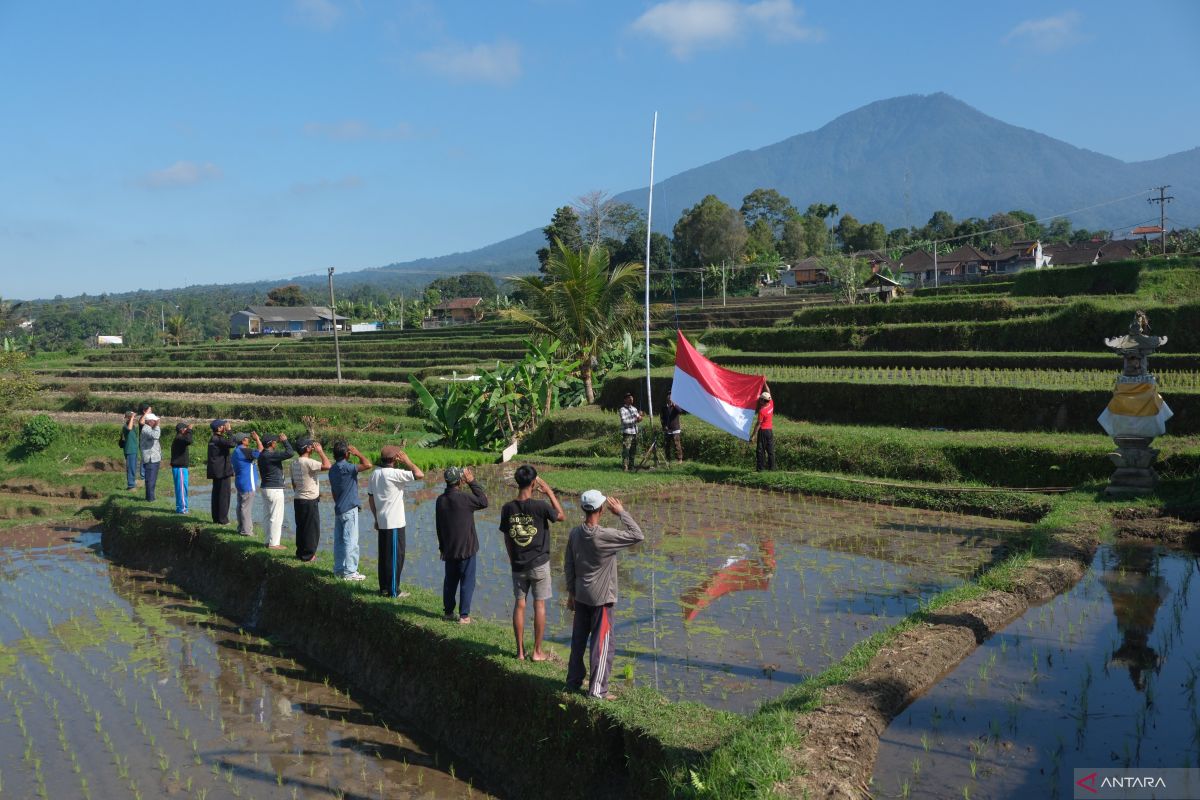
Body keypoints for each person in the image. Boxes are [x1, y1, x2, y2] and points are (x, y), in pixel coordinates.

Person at [564, 490, 644, 700]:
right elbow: (638, 535)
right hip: (602, 601)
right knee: (602, 646)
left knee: (578, 641)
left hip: (581, 596)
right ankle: (598, 690)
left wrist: (571, 593)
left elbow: (569, 565)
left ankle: (573, 681)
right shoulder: (605, 535)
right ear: (601, 509)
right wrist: (621, 512)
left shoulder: (574, 533)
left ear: (583, 509)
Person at [499, 465, 565, 661]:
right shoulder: (541, 506)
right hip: (539, 564)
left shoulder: (507, 508)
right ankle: (537, 652)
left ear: (517, 483)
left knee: (520, 604)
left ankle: (520, 652)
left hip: (518, 564)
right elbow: (561, 516)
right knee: (540, 605)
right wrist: (550, 493)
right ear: (534, 483)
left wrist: (513, 560)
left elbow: (507, 539)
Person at [367, 445, 425, 598]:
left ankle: (384, 589)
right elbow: (420, 474)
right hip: (395, 523)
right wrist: (407, 461)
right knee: (395, 557)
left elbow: (371, 499)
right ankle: (393, 591)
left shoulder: (374, 474)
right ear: (394, 460)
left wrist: (376, 519)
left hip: (382, 521)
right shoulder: (395, 474)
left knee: (384, 556)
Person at [435, 466, 488, 623]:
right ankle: (464, 616)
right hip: (466, 548)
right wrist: (472, 482)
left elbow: (439, 525)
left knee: (450, 581)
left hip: (449, 548)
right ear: (460, 481)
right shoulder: (465, 498)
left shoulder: (440, 500)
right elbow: (484, 501)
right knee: (467, 581)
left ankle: (448, 612)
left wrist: (442, 547)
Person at [328, 441, 372, 581]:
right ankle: (350, 572)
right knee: (351, 541)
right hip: (349, 509)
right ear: (347, 454)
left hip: (339, 508)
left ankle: (339, 570)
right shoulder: (348, 468)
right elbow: (368, 464)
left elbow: (334, 492)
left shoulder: (332, 469)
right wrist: (358, 453)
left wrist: (339, 503)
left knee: (340, 541)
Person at [290, 438, 330, 562]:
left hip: (298, 498)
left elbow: (294, 484)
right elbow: (328, 465)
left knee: (301, 527)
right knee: (311, 529)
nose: (313, 448)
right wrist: (321, 452)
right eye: (311, 446)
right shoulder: (308, 462)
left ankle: (300, 552)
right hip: (309, 500)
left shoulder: (294, 463)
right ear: (307, 448)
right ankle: (308, 555)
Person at [257, 433, 295, 549]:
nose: (276, 443)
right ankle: (274, 544)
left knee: (267, 515)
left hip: (266, 488)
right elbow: (290, 453)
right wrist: (285, 441)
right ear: (271, 444)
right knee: (276, 517)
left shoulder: (262, 454)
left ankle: (268, 541)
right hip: (274, 489)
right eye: (275, 442)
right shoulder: (270, 455)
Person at [231, 432, 263, 537]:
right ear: (243, 440)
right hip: (248, 483)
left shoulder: (235, 451)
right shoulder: (245, 451)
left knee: (240, 505)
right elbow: (261, 451)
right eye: (247, 438)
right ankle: (247, 531)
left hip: (239, 481)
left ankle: (241, 528)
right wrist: (257, 439)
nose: (249, 440)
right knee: (246, 508)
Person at [206, 420, 236, 524]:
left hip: (217, 472)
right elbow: (232, 443)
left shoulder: (213, 439)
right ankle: (223, 520)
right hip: (222, 472)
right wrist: (229, 431)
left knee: (216, 495)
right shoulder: (218, 439)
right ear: (219, 428)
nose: (225, 427)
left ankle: (216, 518)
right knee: (224, 496)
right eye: (223, 426)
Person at [170, 422, 193, 514]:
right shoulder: (179, 438)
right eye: (186, 429)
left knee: (182, 489)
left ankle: (181, 507)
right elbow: (189, 441)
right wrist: (190, 430)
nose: (187, 430)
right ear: (182, 430)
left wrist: (188, 430)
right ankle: (183, 509)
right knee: (182, 489)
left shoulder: (179, 438)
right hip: (179, 468)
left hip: (180, 468)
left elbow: (188, 440)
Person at [618, 392, 645, 472]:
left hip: (634, 432)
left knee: (633, 451)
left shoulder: (634, 409)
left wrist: (640, 417)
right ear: (625, 400)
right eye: (629, 398)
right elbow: (624, 421)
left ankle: (631, 466)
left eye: (632, 398)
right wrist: (635, 419)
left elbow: (638, 420)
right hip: (627, 433)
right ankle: (625, 467)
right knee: (626, 450)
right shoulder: (622, 409)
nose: (631, 399)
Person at [750, 387, 775, 471]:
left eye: (761, 399)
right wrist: (765, 383)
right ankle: (772, 468)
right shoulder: (771, 403)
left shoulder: (762, 411)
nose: (760, 400)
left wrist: (753, 435)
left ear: (764, 401)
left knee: (760, 450)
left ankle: (761, 469)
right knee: (770, 450)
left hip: (763, 431)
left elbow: (758, 424)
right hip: (770, 431)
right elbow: (769, 391)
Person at [139, 412, 162, 502]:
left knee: (151, 479)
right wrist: (157, 426)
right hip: (151, 458)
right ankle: (150, 499)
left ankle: (149, 497)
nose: (156, 422)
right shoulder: (146, 429)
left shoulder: (149, 428)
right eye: (154, 421)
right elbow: (156, 435)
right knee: (150, 479)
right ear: (149, 421)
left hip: (154, 458)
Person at [660, 391, 685, 465]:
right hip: (667, 429)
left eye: (671, 397)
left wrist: (674, 405)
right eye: (668, 396)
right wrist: (664, 426)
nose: (669, 398)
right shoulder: (664, 408)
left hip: (675, 429)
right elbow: (662, 418)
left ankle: (679, 459)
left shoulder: (675, 406)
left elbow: (680, 411)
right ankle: (668, 459)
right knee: (667, 445)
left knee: (677, 445)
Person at [120, 411, 140, 491]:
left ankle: (132, 483)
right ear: (128, 417)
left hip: (134, 449)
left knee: (134, 467)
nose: (135, 418)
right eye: (133, 417)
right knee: (131, 467)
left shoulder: (134, 426)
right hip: (129, 450)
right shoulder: (125, 426)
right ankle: (131, 485)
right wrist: (131, 418)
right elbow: (129, 428)